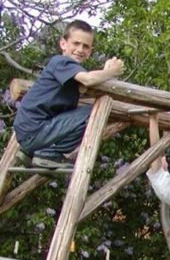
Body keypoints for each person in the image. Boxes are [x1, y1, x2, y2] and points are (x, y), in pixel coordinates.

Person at [14, 19, 124, 169]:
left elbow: (86, 85)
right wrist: (112, 72)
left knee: (79, 112)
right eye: (76, 43)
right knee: (93, 113)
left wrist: (105, 71)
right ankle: (48, 154)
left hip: (30, 133)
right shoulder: (61, 62)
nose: (80, 49)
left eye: (86, 46)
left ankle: (29, 152)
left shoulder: (71, 72)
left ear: (90, 51)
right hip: (35, 131)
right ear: (63, 44)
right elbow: (89, 79)